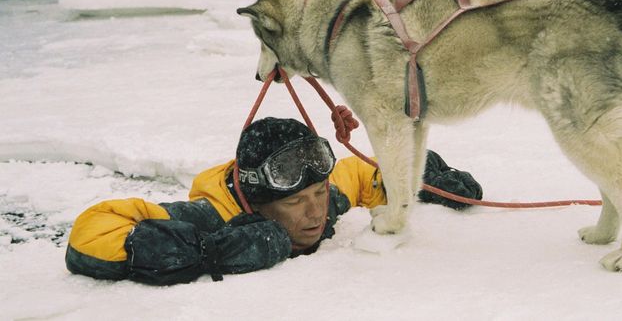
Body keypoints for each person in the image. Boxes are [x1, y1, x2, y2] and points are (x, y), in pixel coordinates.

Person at [65, 117, 483, 285]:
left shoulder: (330, 190)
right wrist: (217, 250)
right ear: (257, 202)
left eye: (318, 194)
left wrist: (427, 176)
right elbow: (90, 234)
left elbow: (371, 171)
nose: (316, 211)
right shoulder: (212, 214)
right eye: (296, 202)